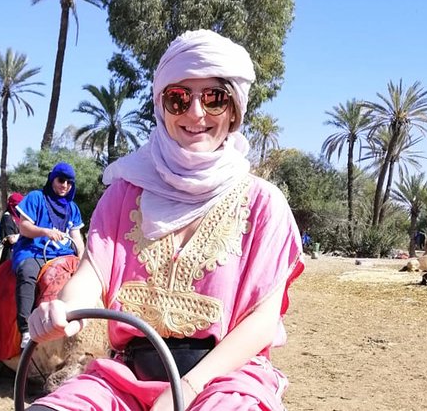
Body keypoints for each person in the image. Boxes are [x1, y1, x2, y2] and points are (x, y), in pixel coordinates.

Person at [26, 30, 305, 411]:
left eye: (214, 98)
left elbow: (262, 321)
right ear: (161, 106)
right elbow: (93, 273)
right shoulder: (124, 193)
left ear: (234, 109)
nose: (195, 113)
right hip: (124, 380)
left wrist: (186, 389)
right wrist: (63, 311)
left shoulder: (264, 205)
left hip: (226, 382)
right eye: (178, 98)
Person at [12, 162, 85, 348]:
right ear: (53, 179)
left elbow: (77, 238)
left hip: (64, 254)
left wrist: (85, 258)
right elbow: (24, 227)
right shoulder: (36, 198)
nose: (65, 186)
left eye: (69, 182)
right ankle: (26, 330)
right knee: (27, 273)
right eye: (61, 180)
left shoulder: (72, 208)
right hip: (34, 251)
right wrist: (45, 232)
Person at [0, 192, 24, 266]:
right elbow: (11, 239)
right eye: (17, 205)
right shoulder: (7, 217)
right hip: (10, 255)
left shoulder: (20, 218)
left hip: (20, 254)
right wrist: (27, 234)